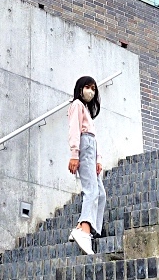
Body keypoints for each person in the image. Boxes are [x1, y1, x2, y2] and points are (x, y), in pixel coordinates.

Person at [67, 75, 106, 256]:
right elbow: (74, 130)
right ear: (80, 88)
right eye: (87, 87)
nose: (90, 90)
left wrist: (98, 159)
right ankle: (84, 230)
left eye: (93, 88)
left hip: (91, 147)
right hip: (84, 146)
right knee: (91, 190)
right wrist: (74, 154)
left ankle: (88, 228)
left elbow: (94, 138)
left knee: (101, 192)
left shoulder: (87, 111)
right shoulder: (76, 105)